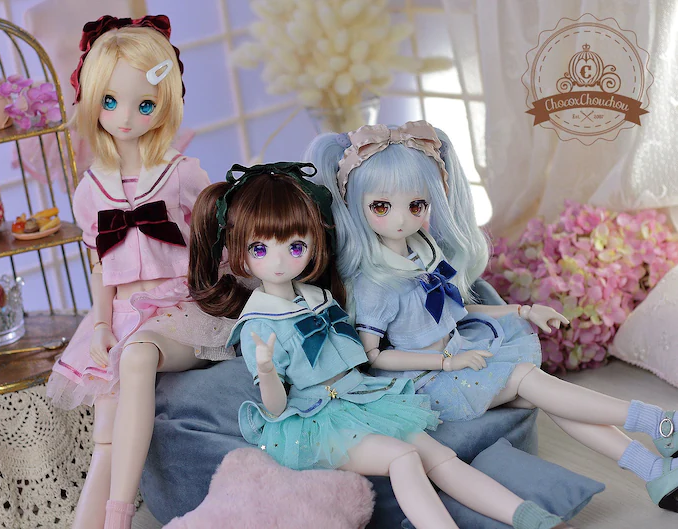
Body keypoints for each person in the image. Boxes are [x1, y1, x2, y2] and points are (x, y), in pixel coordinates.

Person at [306, 120, 678, 512]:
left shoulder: (423, 251)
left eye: (416, 205)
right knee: (528, 378)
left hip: (462, 353)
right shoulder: (373, 284)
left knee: (553, 399)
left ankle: (654, 471)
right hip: (427, 384)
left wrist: (522, 310)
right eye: (381, 206)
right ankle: (658, 421)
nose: (402, 219)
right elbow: (373, 356)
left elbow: (458, 309)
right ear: (356, 205)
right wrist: (446, 362)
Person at [187, 162, 574, 529]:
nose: (278, 262)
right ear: (239, 250)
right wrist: (267, 370)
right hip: (315, 419)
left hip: (364, 397)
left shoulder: (318, 297)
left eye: (295, 247)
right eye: (259, 249)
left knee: (439, 457)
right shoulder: (258, 323)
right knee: (404, 457)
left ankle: (527, 516)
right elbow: (275, 407)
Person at [45, 16, 233, 529]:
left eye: (144, 104)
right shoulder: (91, 189)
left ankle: (120, 515)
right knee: (105, 427)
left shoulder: (181, 173)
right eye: (110, 101)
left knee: (138, 356)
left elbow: (218, 241)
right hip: (124, 314)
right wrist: (100, 324)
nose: (125, 117)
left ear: (164, 103)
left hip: (181, 309)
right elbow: (100, 266)